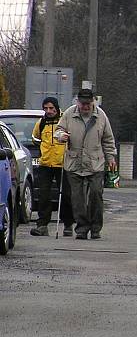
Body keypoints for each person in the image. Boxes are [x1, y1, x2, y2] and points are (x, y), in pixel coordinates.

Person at [54, 88, 117, 240]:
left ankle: (96, 228)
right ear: (78, 102)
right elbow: (58, 131)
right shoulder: (69, 114)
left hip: (95, 163)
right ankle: (81, 228)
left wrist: (111, 158)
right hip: (74, 162)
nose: (85, 107)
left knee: (96, 195)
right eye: (83, 104)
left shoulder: (101, 116)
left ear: (93, 102)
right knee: (77, 199)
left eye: (88, 104)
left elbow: (108, 139)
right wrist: (61, 136)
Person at [29, 97, 74, 236]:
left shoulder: (64, 120)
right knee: (43, 195)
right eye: (46, 108)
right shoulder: (41, 123)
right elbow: (35, 138)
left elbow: (73, 138)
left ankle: (68, 224)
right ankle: (42, 225)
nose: (48, 111)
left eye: (51, 108)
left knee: (66, 195)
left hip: (63, 164)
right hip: (46, 163)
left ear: (56, 108)